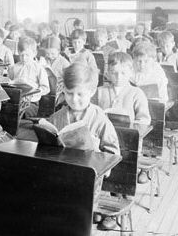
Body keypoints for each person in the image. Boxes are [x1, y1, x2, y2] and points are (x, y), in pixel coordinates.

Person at [48, 62, 120, 230]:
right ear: (63, 90)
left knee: (77, 222)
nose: (74, 99)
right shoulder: (56, 117)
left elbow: (113, 152)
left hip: (88, 182)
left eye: (80, 94)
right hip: (60, 178)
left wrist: (100, 159)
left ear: (92, 91)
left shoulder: (99, 118)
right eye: (69, 93)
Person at [94, 52, 151, 127]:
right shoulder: (99, 91)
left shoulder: (137, 93)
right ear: (107, 74)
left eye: (123, 73)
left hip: (127, 134)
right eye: (114, 73)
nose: (119, 77)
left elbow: (143, 121)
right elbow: (92, 115)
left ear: (131, 73)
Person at [8, 37, 50, 117]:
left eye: (27, 55)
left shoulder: (38, 68)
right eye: (21, 55)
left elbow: (46, 88)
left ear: (34, 53)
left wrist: (33, 93)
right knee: (7, 111)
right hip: (16, 100)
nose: (24, 58)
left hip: (31, 103)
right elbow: (10, 83)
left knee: (21, 113)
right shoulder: (14, 67)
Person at [42, 36, 70, 105]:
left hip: (60, 89)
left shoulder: (64, 63)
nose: (50, 56)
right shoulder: (44, 60)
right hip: (46, 86)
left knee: (52, 101)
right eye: (47, 54)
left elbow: (69, 79)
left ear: (58, 51)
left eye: (53, 54)